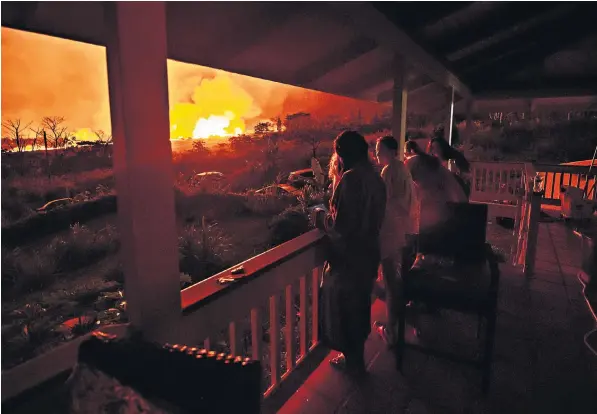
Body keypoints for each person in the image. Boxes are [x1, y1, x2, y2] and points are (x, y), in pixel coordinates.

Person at [320, 130, 386, 375]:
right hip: (369, 253)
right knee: (359, 307)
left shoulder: (350, 179)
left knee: (344, 310)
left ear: (342, 153)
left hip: (349, 258)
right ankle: (357, 359)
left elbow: (343, 227)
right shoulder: (375, 178)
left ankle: (354, 362)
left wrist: (321, 221)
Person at [372, 136, 414, 346]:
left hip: (391, 231)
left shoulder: (389, 172)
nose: (376, 154)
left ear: (389, 150)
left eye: (379, 150)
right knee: (393, 279)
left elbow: (382, 203)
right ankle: (395, 320)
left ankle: (391, 328)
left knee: (390, 280)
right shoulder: (403, 169)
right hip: (403, 229)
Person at [427, 133, 471, 198]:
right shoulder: (434, 163)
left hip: (458, 192)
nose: (434, 151)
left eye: (436, 148)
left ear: (442, 147)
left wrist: (457, 173)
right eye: (432, 148)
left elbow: (467, 176)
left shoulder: (455, 159)